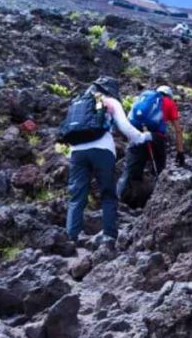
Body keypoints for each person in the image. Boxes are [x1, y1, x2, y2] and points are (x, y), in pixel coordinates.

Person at [64, 77, 149, 243]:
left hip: (76, 152)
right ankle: (109, 235)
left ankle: (71, 236)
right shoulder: (109, 101)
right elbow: (125, 127)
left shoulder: (78, 101)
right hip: (102, 150)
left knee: (77, 195)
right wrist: (142, 137)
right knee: (108, 193)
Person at [120, 85, 186, 200]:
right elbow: (178, 130)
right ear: (169, 96)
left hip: (136, 134)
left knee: (130, 172)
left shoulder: (145, 97)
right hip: (156, 138)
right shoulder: (169, 103)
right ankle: (159, 199)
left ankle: (121, 200)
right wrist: (180, 152)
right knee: (159, 170)